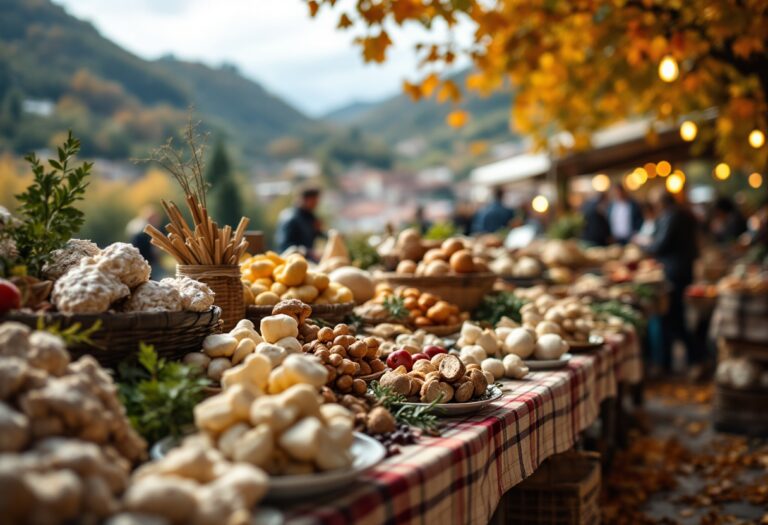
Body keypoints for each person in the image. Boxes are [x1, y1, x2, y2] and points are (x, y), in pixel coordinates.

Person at [645, 191, 699, 373]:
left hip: (674, 272)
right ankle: (672, 361)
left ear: (661, 202)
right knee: (672, 317)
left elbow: (661, 244)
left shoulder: (672, 216)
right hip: (682, 269)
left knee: (673, 317)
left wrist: (644, 244)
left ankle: (694, 358)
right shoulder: (682, 214)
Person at [275, 186, 326, 259]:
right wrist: (308, 252)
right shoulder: (289, 217)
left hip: (306, 260)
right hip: (291, 260)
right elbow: (285, 245)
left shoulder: (310, 217)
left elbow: (317, 234)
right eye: (314, 201)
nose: (316, 204)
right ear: (305, 200)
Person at [127, 206, 161, 277]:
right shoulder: (140, 232)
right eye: (154, 218)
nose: (157, 221)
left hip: (152, 263)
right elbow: (136, 249)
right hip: (144, 263)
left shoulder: (154, 230)